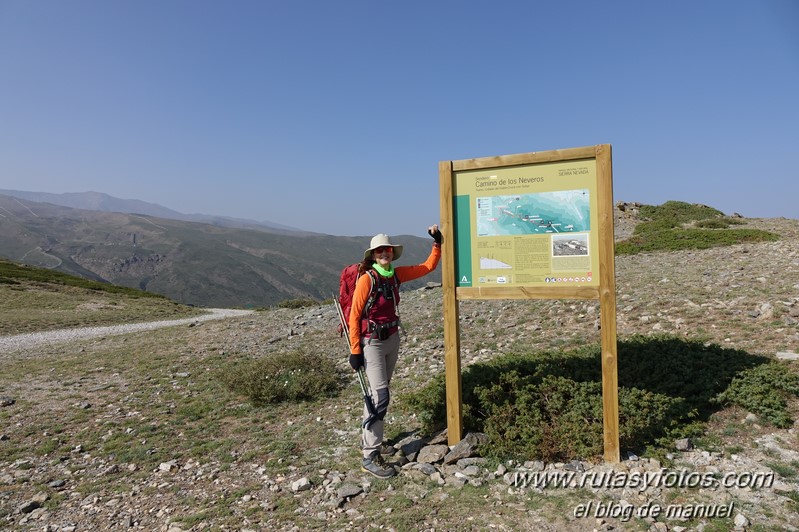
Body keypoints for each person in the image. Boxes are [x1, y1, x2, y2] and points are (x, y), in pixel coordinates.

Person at [348, 224, 442, 478]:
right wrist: (355, 350)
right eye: (379, 251)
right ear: (373, 255)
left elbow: (426, 268)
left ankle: (371, 441)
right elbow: (354, 315)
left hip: (392, 338)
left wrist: (437, 244)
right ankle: (370, 455)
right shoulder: (368, 279)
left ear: (391, 252)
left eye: (387, 250)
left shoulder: (395, 275)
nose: (384, 254)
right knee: (380, 396)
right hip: (373, 343)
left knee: (380, 393)